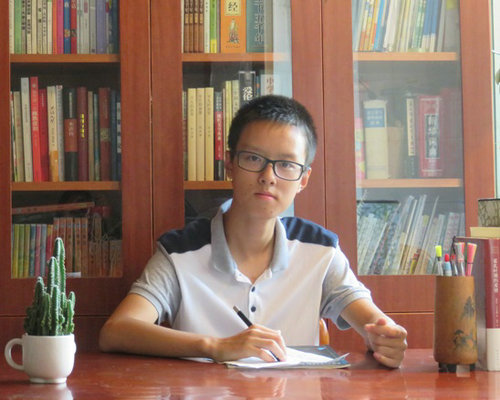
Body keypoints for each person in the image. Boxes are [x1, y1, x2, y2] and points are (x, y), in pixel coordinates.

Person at [99, 95, 407, 368]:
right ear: (230, 165)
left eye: (286, 164)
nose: (268, 176)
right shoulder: (181, 251)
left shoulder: (320, 250)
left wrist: (384, 339)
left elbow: (373, 323)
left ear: (303, 180)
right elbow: (116, 331)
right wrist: (215, 347)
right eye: (253, 159)